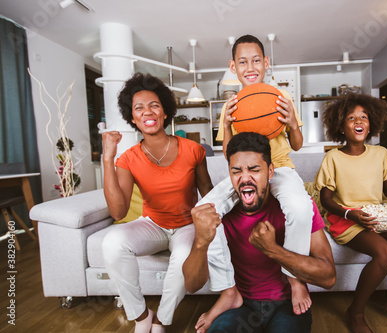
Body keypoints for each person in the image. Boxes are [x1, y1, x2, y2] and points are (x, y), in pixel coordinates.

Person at [194, 34, 315, 331]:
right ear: (233, 67)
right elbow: (228, 155)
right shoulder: (231, 106)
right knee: (204, 210)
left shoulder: (281, 99)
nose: (251, 66)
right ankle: (228, 291)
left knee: (301, 208)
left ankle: (295, 280)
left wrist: (291, 123)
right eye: (243, 61)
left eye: (256, 60)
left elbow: (297, 144)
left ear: (267, 63)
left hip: (281, 168)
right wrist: (224, 125)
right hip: (247, 174)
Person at [183, 132, 336, 333]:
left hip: (287, 304)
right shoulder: (219, 213)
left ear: (270, 172)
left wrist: (272, 250)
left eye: (254, 169)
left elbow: (328, 277)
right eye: (236, 171)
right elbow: (192, 285)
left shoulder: (297, 208)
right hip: (240, 305)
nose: (245, 178)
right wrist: (201, 242)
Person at [101, 72, 213, 333]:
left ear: (165, 113)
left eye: (154, 105)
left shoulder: (193, 150)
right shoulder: (127, 159)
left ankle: (162, 320)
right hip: (153, 225)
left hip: (187, 225)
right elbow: (118, 212)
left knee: (185, 254)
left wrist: (214, 231)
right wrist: (108, 159)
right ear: (132, 118)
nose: (147, 112)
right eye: (138, 108)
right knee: (112, 242)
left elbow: (207, 193)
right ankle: (141, 316)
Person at [314, 93, 387, 333]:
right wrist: (350, 214)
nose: (358, 121)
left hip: (378, 216)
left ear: (371, 123)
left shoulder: (381, 154)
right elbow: (325, 200)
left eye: (363, 117)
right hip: (348, 219)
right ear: (340, 126)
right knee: (386, 254)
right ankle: (355, 312)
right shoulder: (332, 158)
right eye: (351, 117)